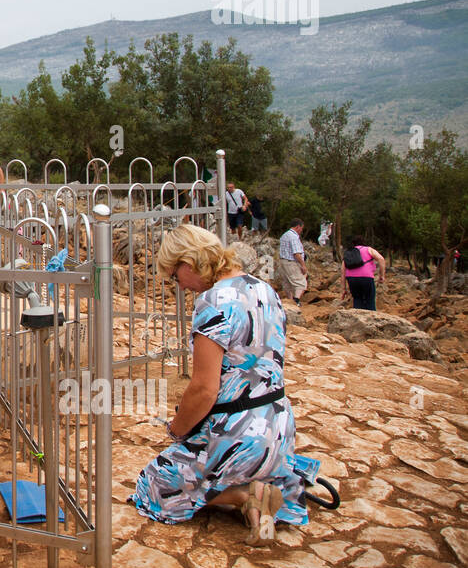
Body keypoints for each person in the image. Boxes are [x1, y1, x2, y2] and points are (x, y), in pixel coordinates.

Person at [132, 223, 305, 544]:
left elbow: (204, 389)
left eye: (174, 275)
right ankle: (260, 501)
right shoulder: (265, 289)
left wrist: (177, 429)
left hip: (237, 434)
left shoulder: (214, 302)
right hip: (278, 429)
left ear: (189, 263)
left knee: (154, 481)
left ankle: (242, 496)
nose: (178, 286)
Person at [341, 237, 386, 311]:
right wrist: (382, 275)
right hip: (366, 278)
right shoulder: (368, 249)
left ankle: (357, 318)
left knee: (357, 300)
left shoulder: (349, 252)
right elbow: (381, 259)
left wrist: (344, 289)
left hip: (351, 279)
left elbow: (343, 271)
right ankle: (371, 319)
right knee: (370, 300)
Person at [277, 218, 308, 305]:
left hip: (283, 261)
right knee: (301, 283)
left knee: (287, 283)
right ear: (298, 226)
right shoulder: (293, 237)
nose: (302, 230)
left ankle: (289, 300)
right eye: (301, 228)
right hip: (291, 262)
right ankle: (296, 300)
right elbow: (296, 253)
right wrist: (303, 265)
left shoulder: (284, 235)